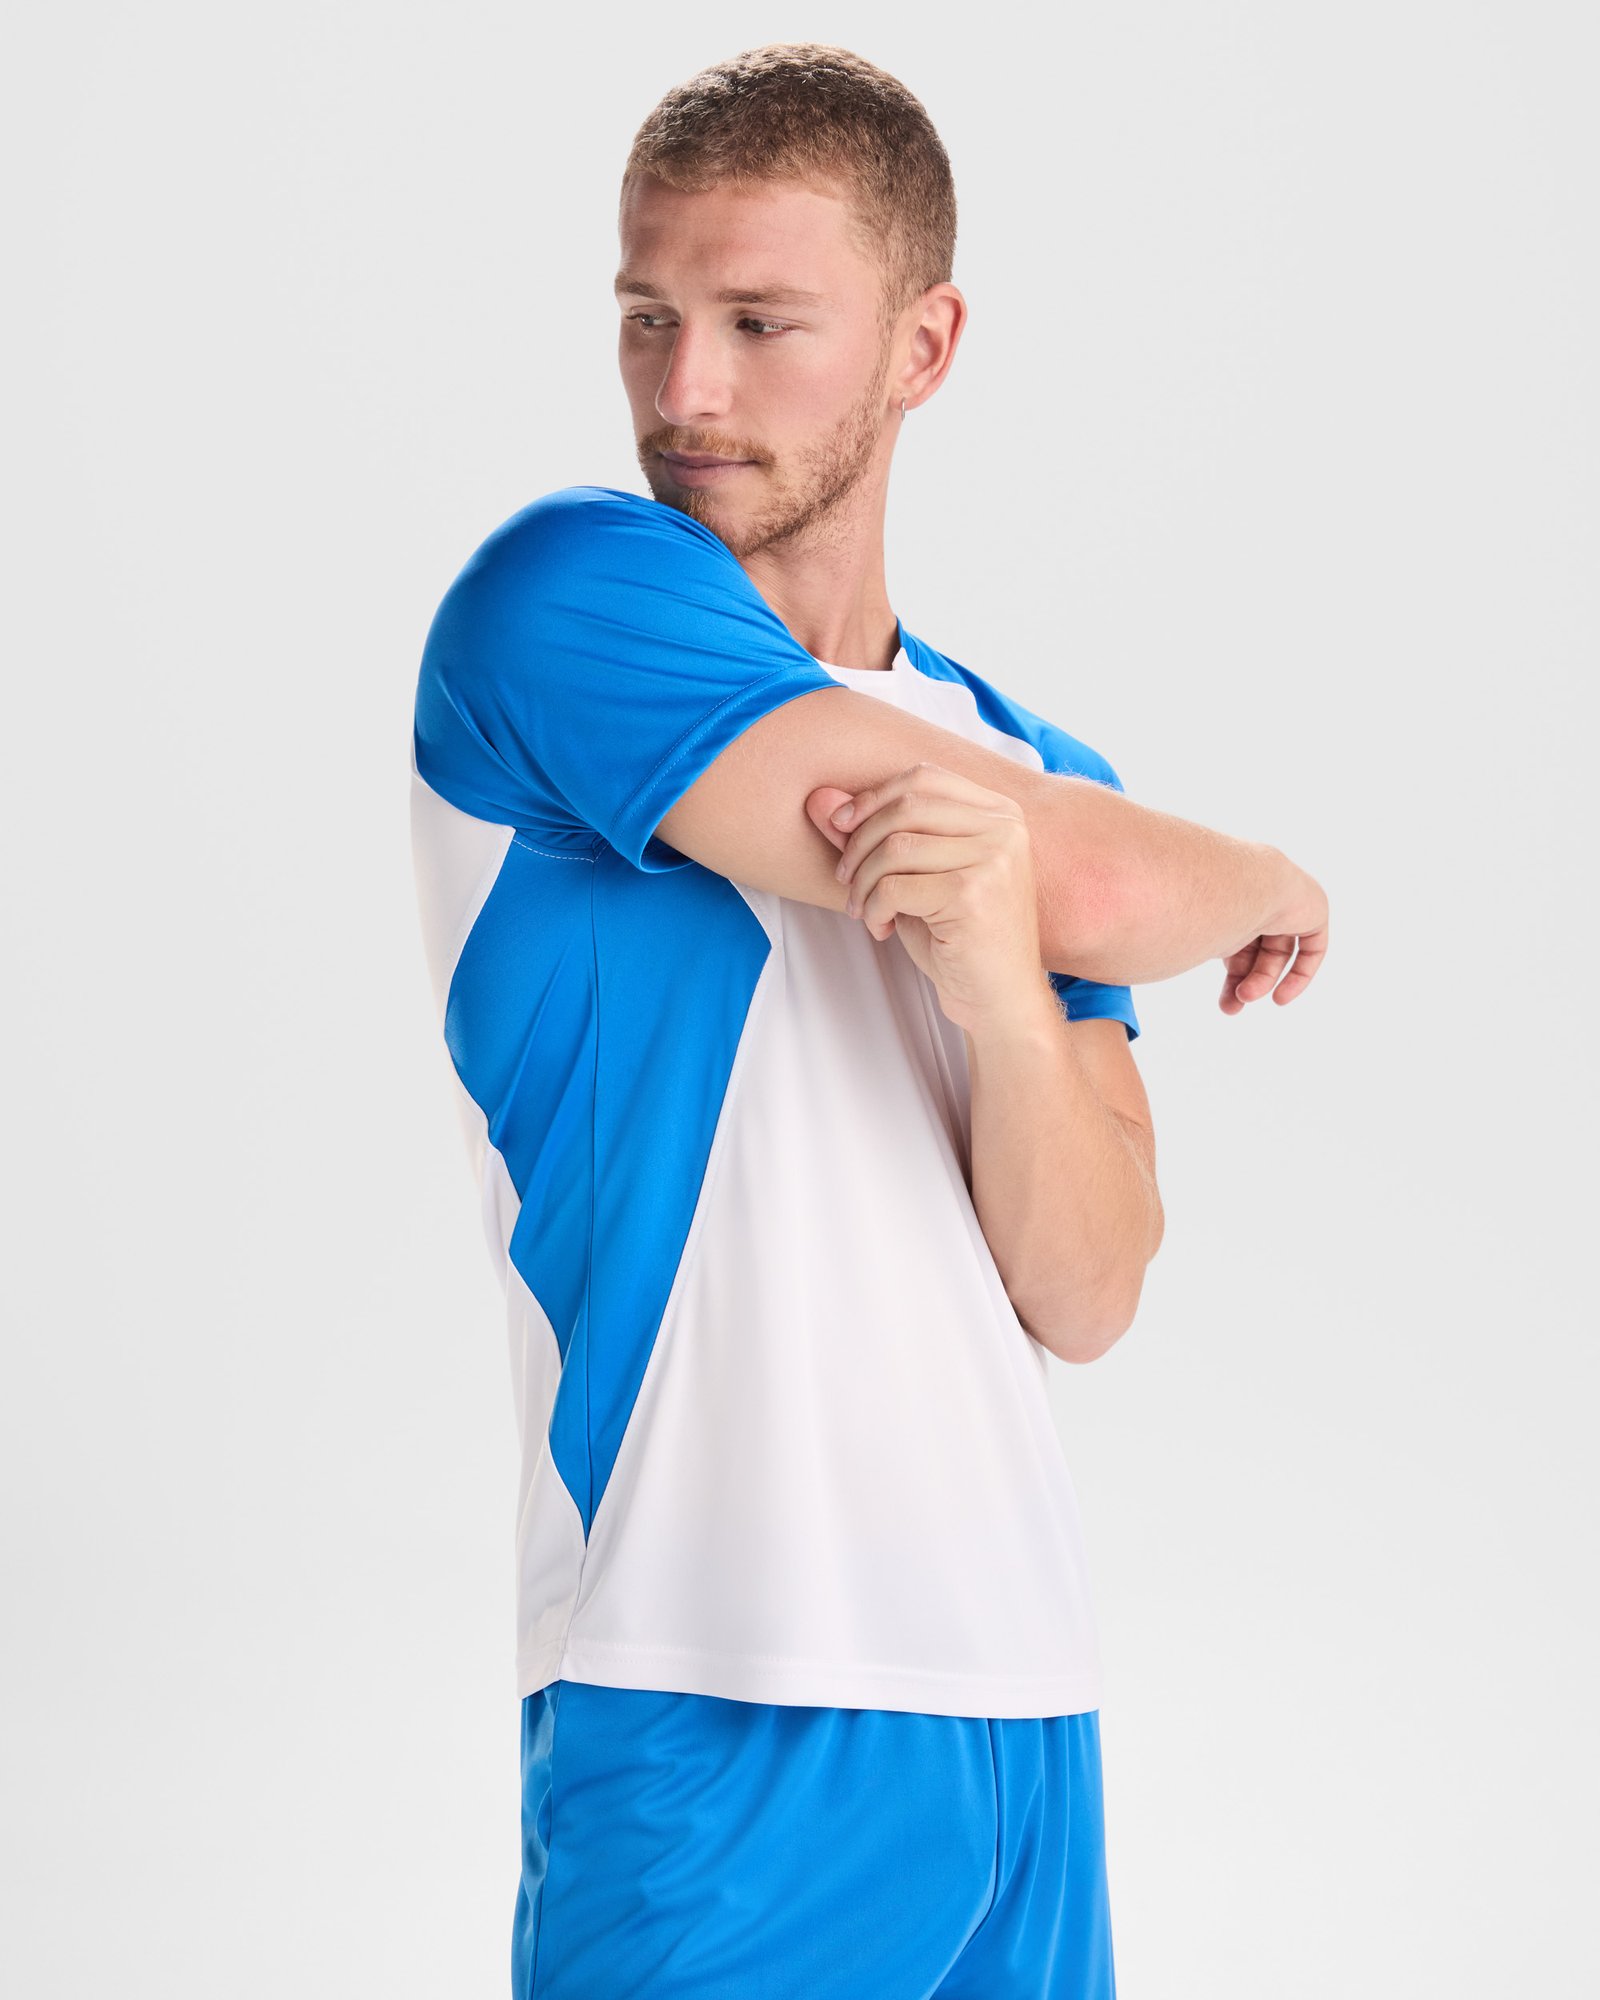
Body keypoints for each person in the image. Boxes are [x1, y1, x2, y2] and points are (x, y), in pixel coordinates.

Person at [409, 42, 1327, 2000]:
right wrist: (1263, 875)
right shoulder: (563, 601)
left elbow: (1086, 1286)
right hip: (704, 1691)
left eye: (760, 324)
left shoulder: (1026, 762)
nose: (685, 392)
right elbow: (1108, 888)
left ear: (923, 346)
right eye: (646, 317)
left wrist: (998, 988)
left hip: (1019, 1706)